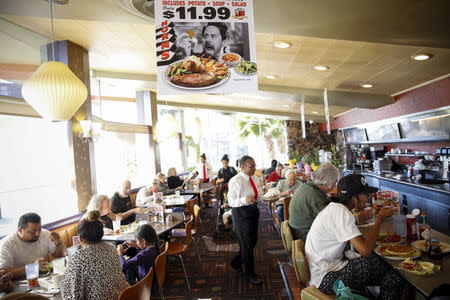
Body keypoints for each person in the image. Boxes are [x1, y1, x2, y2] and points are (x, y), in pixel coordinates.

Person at [305, 174, 405, 299]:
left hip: (320, 272)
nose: (368, 198)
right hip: (327, 278)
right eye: (365, 194)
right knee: (393, 266)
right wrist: (379, 218)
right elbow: (365, 250)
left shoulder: (335, 208)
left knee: (394, 277)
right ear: (354, 197)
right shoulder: (340, 211)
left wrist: (359, 218)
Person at [61, 210, 129, 300]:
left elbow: (72, 294)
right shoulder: (111, 248)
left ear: (80, 239)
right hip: (125, 295)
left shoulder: (78, 258)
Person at [227, 155, 263, 285]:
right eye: (251, 166)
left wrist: (266, 196)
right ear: (242, 167)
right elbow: (231, 201)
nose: (254, 168)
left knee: (252, 242)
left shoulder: (255, 178)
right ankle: (250, 273)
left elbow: (258, 195)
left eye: (254, 165)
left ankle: (236, 263)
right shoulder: (235, 181)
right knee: (247, 244)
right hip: (241, 213)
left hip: (253, 211)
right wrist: (244, 199)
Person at [0, 213, 67, 278]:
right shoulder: (7, 244)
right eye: (33, 231)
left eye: (39, 229)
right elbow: (2, 273)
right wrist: (32, 267)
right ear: (20, 230)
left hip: (44, 277)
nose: (38, 234)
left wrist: (59, 244)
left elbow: (61, 257)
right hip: (19, 283)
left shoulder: (45, 234)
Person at [288, 162, 340, 241]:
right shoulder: (316, 196)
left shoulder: (307, 186)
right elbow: (332, 222)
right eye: (334, 183)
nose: (335, 186)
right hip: (304, 236)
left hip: (297, 231)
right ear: (325, 183)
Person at [117, 224, 159, 289]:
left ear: (143, 241)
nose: (136, 242)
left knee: (120, 281)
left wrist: (120, 253)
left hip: (146, 285)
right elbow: (145, 250)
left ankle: (133, 290)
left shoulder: (143, 254)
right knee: (130, 267)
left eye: (137, 240)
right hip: (153, 280)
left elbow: (124, 266)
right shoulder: (156, 246)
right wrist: (136, 245)